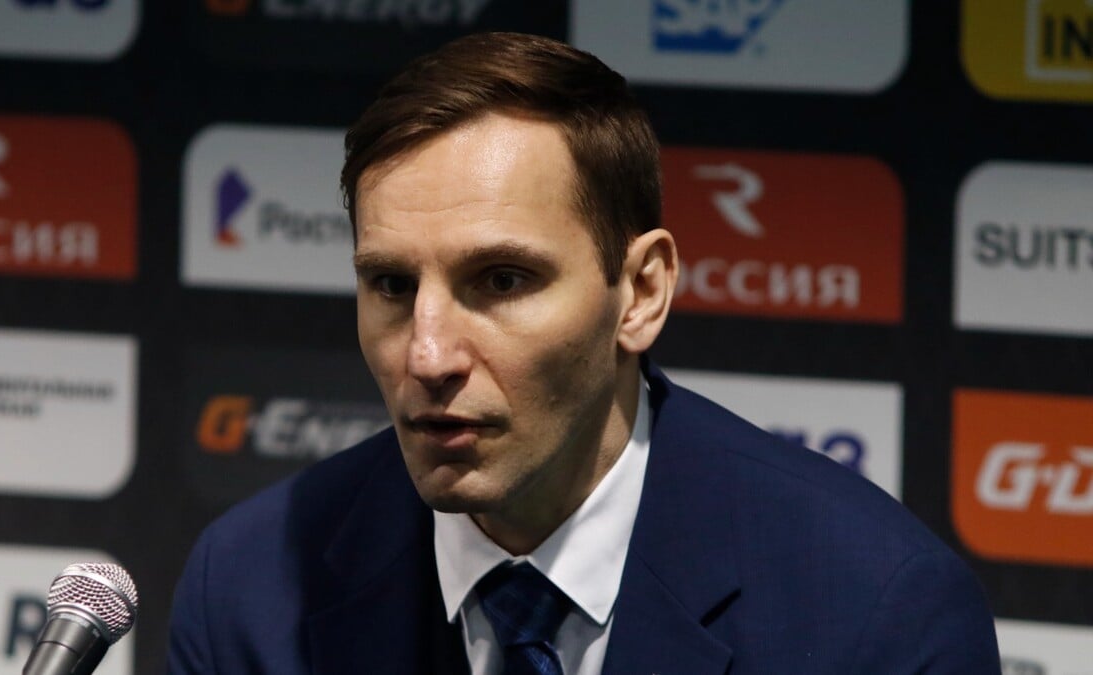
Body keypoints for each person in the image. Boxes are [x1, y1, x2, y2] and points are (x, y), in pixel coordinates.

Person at [167, 32, 1000, 674]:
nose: (427, 354)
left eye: (501, 279)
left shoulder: (876, 613)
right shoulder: (248, 587)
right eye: (391, 283)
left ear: (641, 292)